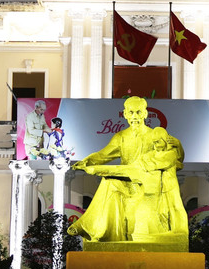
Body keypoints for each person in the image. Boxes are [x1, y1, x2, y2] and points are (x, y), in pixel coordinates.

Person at [67, 96, 187, 248]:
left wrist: (178, 146)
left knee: (110, 181)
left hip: (146, 183)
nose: (134, 117)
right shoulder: (121, 137)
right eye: (130, 113)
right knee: (109, 182)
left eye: (138, 112)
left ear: (145, 114)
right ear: (124, 114)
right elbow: (103, 155)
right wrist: (88, 161)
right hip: (125, 179)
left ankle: (86, 226)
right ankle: (96, 231)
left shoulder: (154, 135)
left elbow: (175, 157)